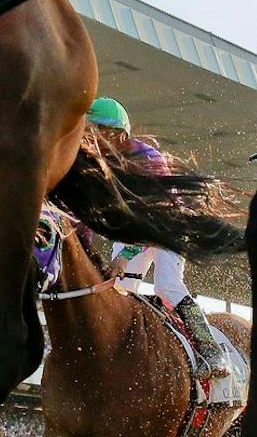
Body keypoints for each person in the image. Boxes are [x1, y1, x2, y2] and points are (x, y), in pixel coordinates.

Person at [86, 98, 229, 379]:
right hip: (137, 229)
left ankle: (211, 349)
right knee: (117, 287)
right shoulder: (100, 162)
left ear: (120, 135)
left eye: (96, 131)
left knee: (166, 284)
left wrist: (124, 257)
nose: (89, 138)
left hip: (169, 227)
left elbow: (156, 221)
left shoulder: (147, 158)